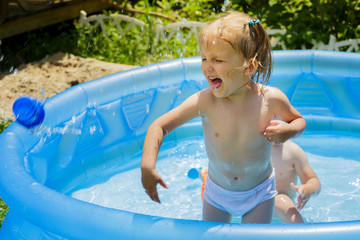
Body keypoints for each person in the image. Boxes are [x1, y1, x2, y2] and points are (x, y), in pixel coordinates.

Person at [141, 11, 306, 224]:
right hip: (217, 194)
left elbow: (298, 121)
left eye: (217, 60)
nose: (207, 67)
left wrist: (289, 131)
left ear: (249, 67)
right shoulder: (205, 101)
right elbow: (159, 126)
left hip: (259, 194)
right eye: (204, 59)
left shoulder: (269, 99)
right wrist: (147, 166)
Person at [272, 140, 321, 223]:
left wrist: (308, 188)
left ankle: (302, 232)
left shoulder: (291, 151)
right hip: (249, 203)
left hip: (278, 210)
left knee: (280, 201)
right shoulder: (246, 149)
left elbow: (312, 180)